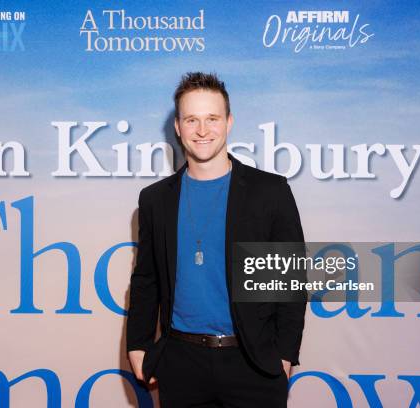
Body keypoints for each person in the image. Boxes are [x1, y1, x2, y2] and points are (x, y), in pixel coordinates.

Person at [127, 72, 306, 407]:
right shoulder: (155, 199)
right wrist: (137, 345)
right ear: (178, 127)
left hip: (253, 364)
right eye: (191, 119)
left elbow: (289, 283)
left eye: (212, 118)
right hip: (181, 363)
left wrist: (283, 355)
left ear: (229, 122)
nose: (203, 130)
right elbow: (146, 279)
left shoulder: (268, 192)